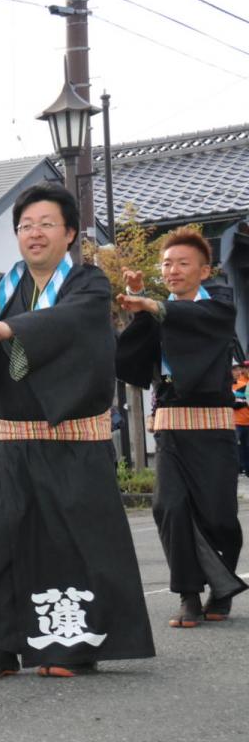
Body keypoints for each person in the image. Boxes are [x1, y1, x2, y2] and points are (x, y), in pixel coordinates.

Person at [0, 180, 155, 681]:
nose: (34, 233)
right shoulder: (3, 287)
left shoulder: (87, 283)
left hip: (74, 436)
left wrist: (12, 329)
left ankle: (73, 643)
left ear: (70, 233)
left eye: (46, 224)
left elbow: (74, 324)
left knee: (72, 541)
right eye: (25, 226)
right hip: (12, 437)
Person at [115, 229, 247, 625]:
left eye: (182, 263)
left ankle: (220, 589)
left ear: (205, 271)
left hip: (215, 423)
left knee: (219, 513)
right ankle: (189, 594)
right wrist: (139, 311)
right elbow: (134, 353)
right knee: (169, 507)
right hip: (172, 421)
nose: (172, 270)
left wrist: (153, 306)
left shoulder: (220, 303)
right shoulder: (158, 310)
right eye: (166, 263)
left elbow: (205, 321)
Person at [232, 362, 249, 475]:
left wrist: (241, 403)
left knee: (246, 447)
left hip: (247, 421)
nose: (239, 372)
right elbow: (231, 403)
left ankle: (246, 469)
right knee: (235, 447)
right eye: (236, 370)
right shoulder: (226, 385)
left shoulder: (244, 384)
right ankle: (236, 469)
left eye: (239, 370)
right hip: (235, 422)